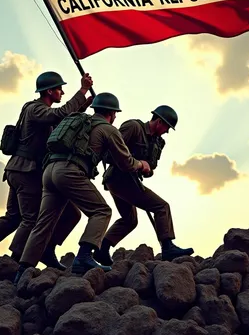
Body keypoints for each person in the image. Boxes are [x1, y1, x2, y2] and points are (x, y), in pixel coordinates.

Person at [0, 71, 94, 272]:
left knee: (14, 216)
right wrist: (82, 90)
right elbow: (58, 115)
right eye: (59, 88)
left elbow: (59, 121)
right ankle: (17, 261)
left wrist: (83, 103)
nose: (62, 92)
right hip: (26, 171)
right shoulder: (36, 109)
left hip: (19, 170)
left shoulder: (38, 111)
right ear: (49, 91)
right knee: (31, 218)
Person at [14, 92, 151, 283]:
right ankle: (84, 256)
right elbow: (126, 162)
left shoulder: (79, 120)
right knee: (101, 211)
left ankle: (23, 269)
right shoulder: (108, 129)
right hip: (70, 172)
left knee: (44, 222)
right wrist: (141, 164)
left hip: (49, 171)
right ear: (112, 114)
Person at [93, 105, 194, 266]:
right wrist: (135, 163)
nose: (167, 131)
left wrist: (147, 170)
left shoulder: (159, 142)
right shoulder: (133, 127)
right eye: (167, 127)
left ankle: (102, 249)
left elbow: (151, 166)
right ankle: (167, 247)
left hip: (129, 182)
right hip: (119, 178)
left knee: (130, 220)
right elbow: (109, 152)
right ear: (159, 121)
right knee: (161, 207)